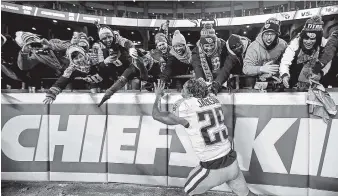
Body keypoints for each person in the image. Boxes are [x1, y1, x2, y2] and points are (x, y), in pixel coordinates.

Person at [152, 79, 257, 196]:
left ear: (191, 94)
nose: (181, 90)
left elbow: (156, 115)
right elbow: (207, 96)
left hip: (213, 167)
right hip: (231, 161)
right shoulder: (214, 100)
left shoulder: (186, 106)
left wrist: (158, 96)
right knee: (247, 194)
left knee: (188, 191)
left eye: (184, 88)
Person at [279, 15, 331, 90]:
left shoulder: (324, 43)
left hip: (316, 81)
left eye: (312, 39)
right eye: (306, 38)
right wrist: (284, 75)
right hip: (295, 81)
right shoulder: (295, 42)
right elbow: (285, 61)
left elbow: (328, 60)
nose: (308, 42)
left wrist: (321, 73)